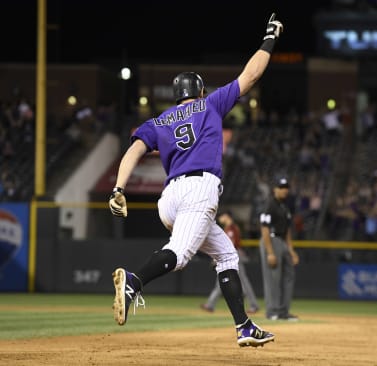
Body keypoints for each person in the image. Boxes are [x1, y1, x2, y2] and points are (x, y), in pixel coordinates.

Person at [108, 13, 284, 348]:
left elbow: (133, 149)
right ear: (200, 90)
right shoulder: (210, 104)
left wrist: (119, 188)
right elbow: (252, 74)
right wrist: (271, 37)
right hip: (199, 190)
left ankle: (244, 326)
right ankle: (134, 281)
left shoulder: (159, 120)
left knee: (227, 256)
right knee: (181, 254)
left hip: (169, 200)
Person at [201, 211, 259, 314]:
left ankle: (253, 305)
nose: (220, 218)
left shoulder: (231, 229)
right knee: (221, 282)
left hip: (233, 256)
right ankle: (210, 304)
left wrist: (216, 259)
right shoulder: (230, 228)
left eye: (221, 216)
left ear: (227, 216)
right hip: (231, 256)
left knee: (243, 282)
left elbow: (229, 246)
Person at [259, 176, 299, 321]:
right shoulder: (270, 204)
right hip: (271, 239)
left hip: (282, 241)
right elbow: (264, 228)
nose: (284, 190)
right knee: (273, 278)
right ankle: (272, 311)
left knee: (288, 276)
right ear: (275, 189)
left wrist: (291, 250)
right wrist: (270, 252)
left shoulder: (285, 207)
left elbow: (288, 231)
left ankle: (283, 311)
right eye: (281, 187)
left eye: (286, 188)